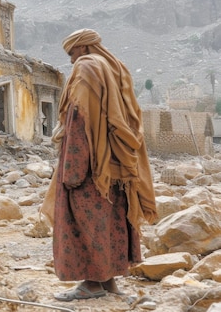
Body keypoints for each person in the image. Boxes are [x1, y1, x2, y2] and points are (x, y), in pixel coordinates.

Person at [40, 29, 157, 301]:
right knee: (111, 222)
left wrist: (72, 170)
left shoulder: (87, 68)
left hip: (92, 165)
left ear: (82, 48)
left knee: (85, 222)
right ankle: (109, 283)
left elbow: (81, 118)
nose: (71, 61)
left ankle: (91, 284)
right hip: (118, 165)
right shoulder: (115, 67)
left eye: (71, 53)